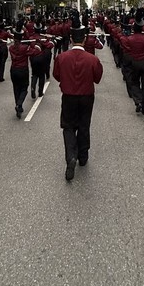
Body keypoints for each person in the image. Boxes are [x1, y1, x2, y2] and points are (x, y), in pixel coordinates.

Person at [53, 18, 103, 181]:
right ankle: (83, 156)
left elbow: (56, 75)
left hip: (68, 96)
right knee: (84, 125)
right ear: (84, 39)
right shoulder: (92, 59)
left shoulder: (61, 58)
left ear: (72, 39)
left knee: (68, 127)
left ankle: (70, 156)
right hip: (87, 96)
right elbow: (97, 78)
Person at [121, 9, 144, 115]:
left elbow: (125, 45)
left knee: (134, 83)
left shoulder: (129, 39)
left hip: (134, 63)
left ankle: (138, 101)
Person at [8, 22, 41, 118]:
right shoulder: (25, 48)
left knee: (16, 88)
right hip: (23, 70)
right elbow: (35, 52)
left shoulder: (11, 48)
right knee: (24, 89)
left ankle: (19, 105)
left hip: (13, 69)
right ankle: (19, 104)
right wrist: (34, 46)